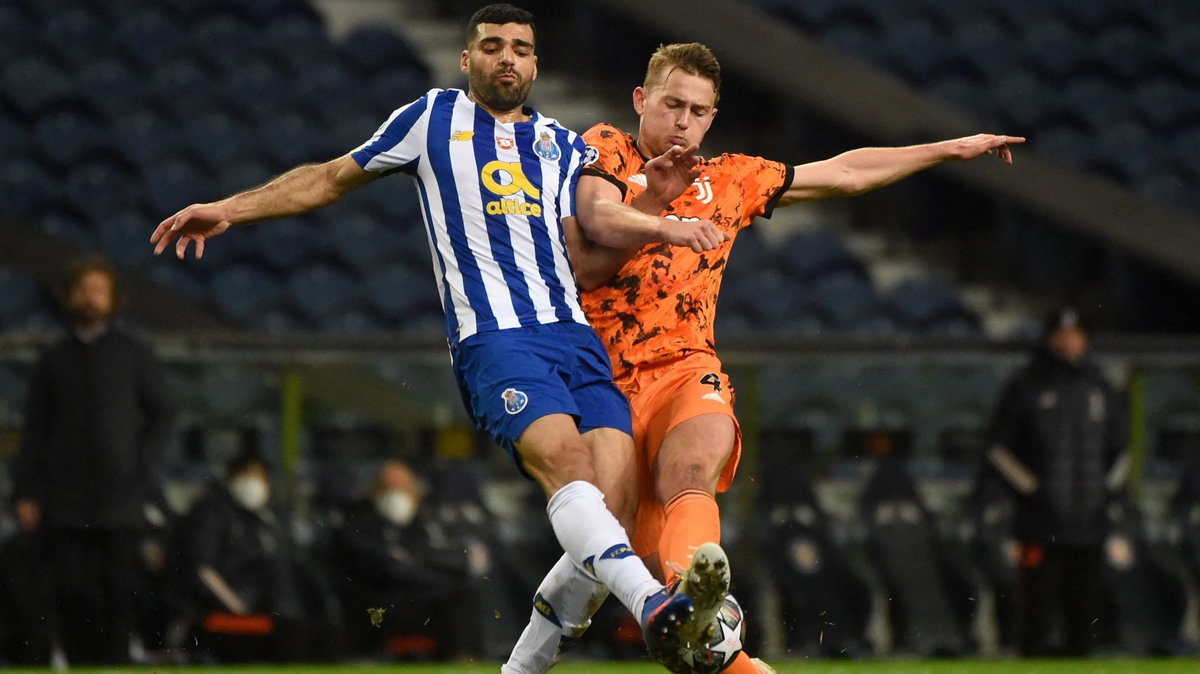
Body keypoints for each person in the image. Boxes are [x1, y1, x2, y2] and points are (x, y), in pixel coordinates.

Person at [149, 6, 731, 670]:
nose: (507, 57)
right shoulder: (431, 119)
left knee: (612, 525)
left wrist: (655, 208)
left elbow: (596, 231)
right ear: (467, 60)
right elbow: (331, 177)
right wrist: (229, 208)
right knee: (567, 466)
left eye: (521, 48)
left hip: (574, 336)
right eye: (492, 46)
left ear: (536, 65)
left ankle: (524, 666)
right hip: (496, 338)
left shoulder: (562, 145)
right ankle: (657, 606)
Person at [504, 42, 1025, 674]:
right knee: (615, 557)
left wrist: (945, 149)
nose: (682, 122)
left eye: (697, 111)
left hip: (684, 367)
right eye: (671, 104)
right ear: (642, 101)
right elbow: (598, 219)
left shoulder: (731, 179)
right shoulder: (605, 149)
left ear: (711, 119)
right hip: (601, 382)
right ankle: (622, 636)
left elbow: (845, 172)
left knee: (693, 465)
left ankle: (696, 596)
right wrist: (662, 215)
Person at [12, 254, 174, 666]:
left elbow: (162, 414)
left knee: (120, 590)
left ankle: (117, 661)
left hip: (121, 500)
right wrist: (27, 491)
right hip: (64, 500)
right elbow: (34, 431)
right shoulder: (53, 360)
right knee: (70, 589)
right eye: (84, 290)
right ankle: (78, 661)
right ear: (68, 297)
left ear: (114, 299)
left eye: (99, 290)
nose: (91, 299)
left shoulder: (134, 354)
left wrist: (140, 464)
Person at [984, 307, 1128, 656]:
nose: (1068, 341)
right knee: (1037, 613)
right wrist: (1032, 489)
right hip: (1039, 523)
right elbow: (996, 448)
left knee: (1084, 616)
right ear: (1048, 338)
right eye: (1061, 334)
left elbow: (1122, 451)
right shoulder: (1026, 386)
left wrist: (1105, 494)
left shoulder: (1102, 387)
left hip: (1090, 523)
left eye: (1075, 334)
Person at [332, 460, 472, 659]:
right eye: (389, 487)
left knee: (459, 590)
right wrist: (418, 565)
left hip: (424, 594)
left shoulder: (426, 521)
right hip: (378, 599)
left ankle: (456, 654)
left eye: (403, 487)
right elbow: (384, 566)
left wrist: (416, 563)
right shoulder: (358, 521)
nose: (396, 495)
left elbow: (450, 557)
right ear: (375, 490)